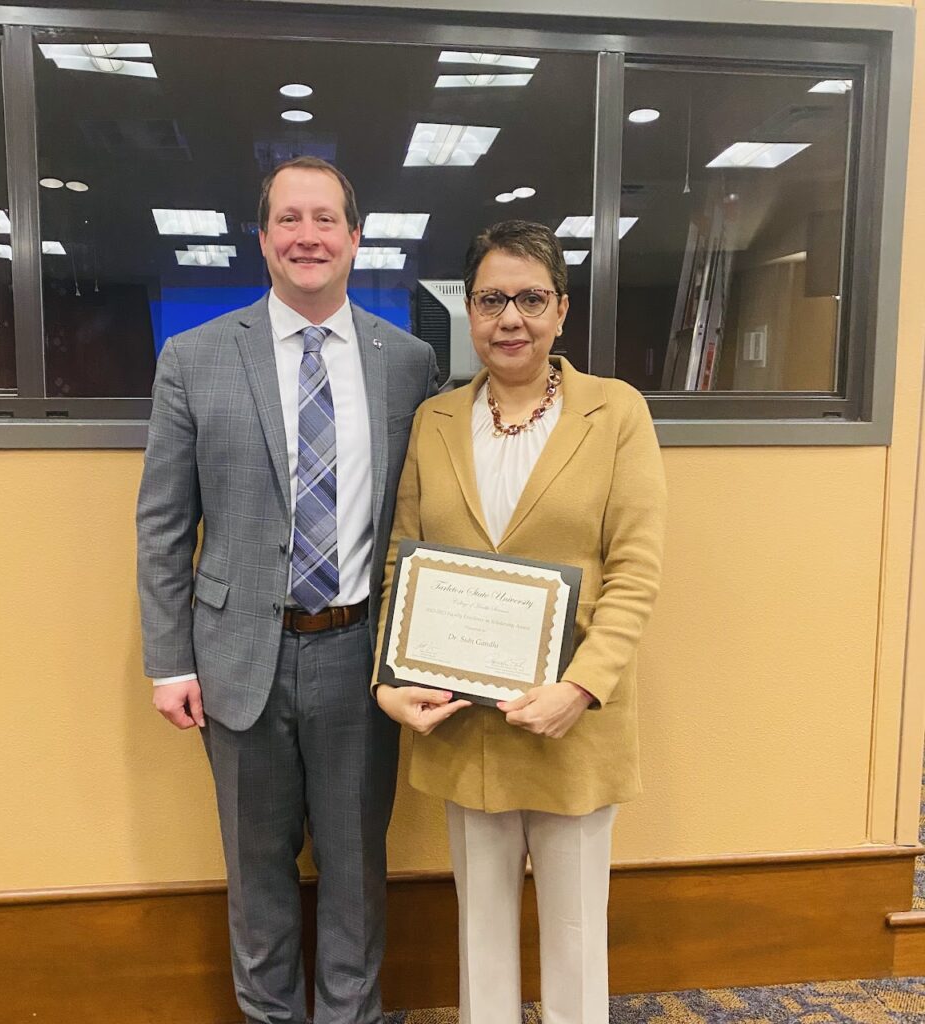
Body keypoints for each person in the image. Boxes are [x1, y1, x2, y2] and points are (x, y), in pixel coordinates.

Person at [136, 155, 438, 1024]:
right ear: (263, 239)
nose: (308, 236)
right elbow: (162, 523)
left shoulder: (407, 363)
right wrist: (168, 663)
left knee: (354, 871)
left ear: (355, 237)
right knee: (257, 873)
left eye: (326, 219)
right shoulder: (193, 358)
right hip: (234, 664)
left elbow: (429, 511)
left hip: (359, 659)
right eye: (289, 220)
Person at [374, 219, 666, 1024]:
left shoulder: (617, 414)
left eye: (531, 298)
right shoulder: (434, 421)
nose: (512, 318)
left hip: (572, 724)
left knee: (576, 936)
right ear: (466, 310)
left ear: (562, 310)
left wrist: (580, 687)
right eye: (493, 298)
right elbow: (404, 558)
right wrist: (388, 680)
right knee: (482, 934)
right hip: (467, 726)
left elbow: (636, 571)